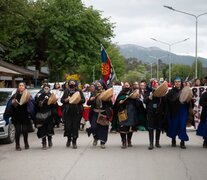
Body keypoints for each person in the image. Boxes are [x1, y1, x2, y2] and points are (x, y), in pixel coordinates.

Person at [4, 82, 34, 151]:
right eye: (20, 85)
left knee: (25, 130)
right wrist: (13, 103)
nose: (21, 87)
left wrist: (28, 101)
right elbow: (10, 105)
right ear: (18, 87)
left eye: (22, 85)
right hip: (16, 115)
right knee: (17, 131)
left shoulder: (28, 95)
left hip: (25, 115)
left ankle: (26, 143)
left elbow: (32, 104)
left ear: (24, 87)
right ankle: (17, 145)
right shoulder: (15, 95)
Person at [86, 80, 113, 149]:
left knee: (103, 128)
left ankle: (102, 142)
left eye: (100, 85)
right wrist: (91, 100)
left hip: (103, 113)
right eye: (97, 85)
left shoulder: (107, 93)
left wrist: (108, 100)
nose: (98, 86)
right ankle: (96, 137)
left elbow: (111, 105)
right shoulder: (94, 93)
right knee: (94, 127)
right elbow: (88, 103)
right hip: (95, 112)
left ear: (103, 85)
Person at [166, 77, 189, 149]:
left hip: (183, 110)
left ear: (181, 82)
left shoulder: (184, 90)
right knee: (174, 125)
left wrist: (186, 100)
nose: (177, 83)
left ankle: (182, 142)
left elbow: (189, 100)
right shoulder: (171, 92)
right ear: (174, 83)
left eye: (179, 81)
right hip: (174, 111)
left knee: (182, 126)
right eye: (176, 82)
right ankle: (173, 139)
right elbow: (168, 101)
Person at [61, 79, 85, 149]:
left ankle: (74, 141)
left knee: (75, 127)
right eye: (70, 83)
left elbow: (83, 100)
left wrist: (77, 100)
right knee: (68, 127)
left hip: (77, 112)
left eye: (73, 83)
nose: (72, 84)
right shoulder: (66, 91)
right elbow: (62, 100)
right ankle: (69, 139)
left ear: (75, 84)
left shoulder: (79, 91)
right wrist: (66, 100)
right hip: (68, 112)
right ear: (68, 84)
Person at [114, 82, 139, 149]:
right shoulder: (121, 93)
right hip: (123, 112)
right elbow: (116, 103)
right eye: (125, 85)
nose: (126, 86)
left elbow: (138, 103)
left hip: (132, 112)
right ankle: (124, 142)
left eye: (127, 85)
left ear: (130, 86)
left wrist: (136, 99)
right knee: (123, 127)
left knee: (130, 127)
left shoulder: (133, 93)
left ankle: (129, 140)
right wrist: (119, 103)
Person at [144, 79, 166, 150]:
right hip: (151, 112)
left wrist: (162, 95)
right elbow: (145, 101)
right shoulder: (148, 91)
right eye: (154, 83)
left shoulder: (161, 90)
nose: (156, 84)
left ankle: (157, 142)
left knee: (158, 127)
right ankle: (151, 143)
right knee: (151, 127)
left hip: (159, 112)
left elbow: (164, 101)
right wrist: (149, 97)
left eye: (157, 82)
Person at [35, 84, 55, 150]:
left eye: (47, 88)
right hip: (41, 114)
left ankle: (49, 140)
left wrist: (53, 102)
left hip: (49, 114)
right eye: (45, 88)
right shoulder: (39, 95)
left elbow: (55, 105)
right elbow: (35, 104)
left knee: (49, 128)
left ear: (49, 89)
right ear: (43, 88)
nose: (46, 88)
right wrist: (39, 103)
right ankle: (44, 142)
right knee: (42, 128)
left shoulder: (51, 95)